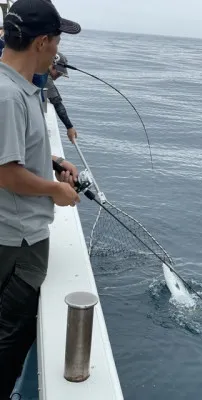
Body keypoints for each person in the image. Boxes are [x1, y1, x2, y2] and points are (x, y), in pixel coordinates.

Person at [0, 0, 81, 398]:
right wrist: (56, 191)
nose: (57, 52)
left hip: (17, 236)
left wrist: (49, 162)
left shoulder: (18, 88)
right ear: (42, 42)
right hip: (16, 241)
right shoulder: (8, 96)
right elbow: (4, 172)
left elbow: (12, 153)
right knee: (10, 341)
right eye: (57, 41)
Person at [46, 52, 78, 143]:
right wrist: (69, 127)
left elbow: (54, 92)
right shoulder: (43, 75)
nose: (57, 77)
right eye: (58, 73)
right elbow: (56, 102)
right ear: (52, 65)